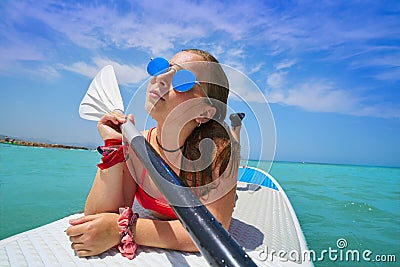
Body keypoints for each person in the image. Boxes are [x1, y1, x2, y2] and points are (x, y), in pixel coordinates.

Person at [66, 49, 241, 258]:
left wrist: (128, 229)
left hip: (209, 180)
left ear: (203, 112)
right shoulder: (137, 145)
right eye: (162, 68)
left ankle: (235, 132)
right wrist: (114, 146)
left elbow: (214, 232)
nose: (162, 78)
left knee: (233, 149)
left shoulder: (217, 154)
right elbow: (98, 219)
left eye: (182, 79)